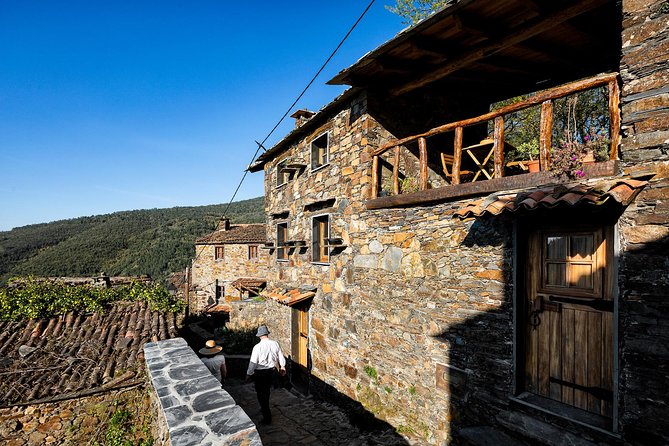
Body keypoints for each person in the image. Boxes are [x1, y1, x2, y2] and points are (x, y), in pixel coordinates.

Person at [246, 325, 286, 424]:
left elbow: (253, 362)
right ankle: (265, 408)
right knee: (267, 391)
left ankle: (267, 417)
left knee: (260, 394)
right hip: (272, 372)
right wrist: (282, 366)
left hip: (260, 373)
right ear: (267, 334)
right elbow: (280, 356)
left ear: (259, 336)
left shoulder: (257, 347)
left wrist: (249, 373)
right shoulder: (275, 344)